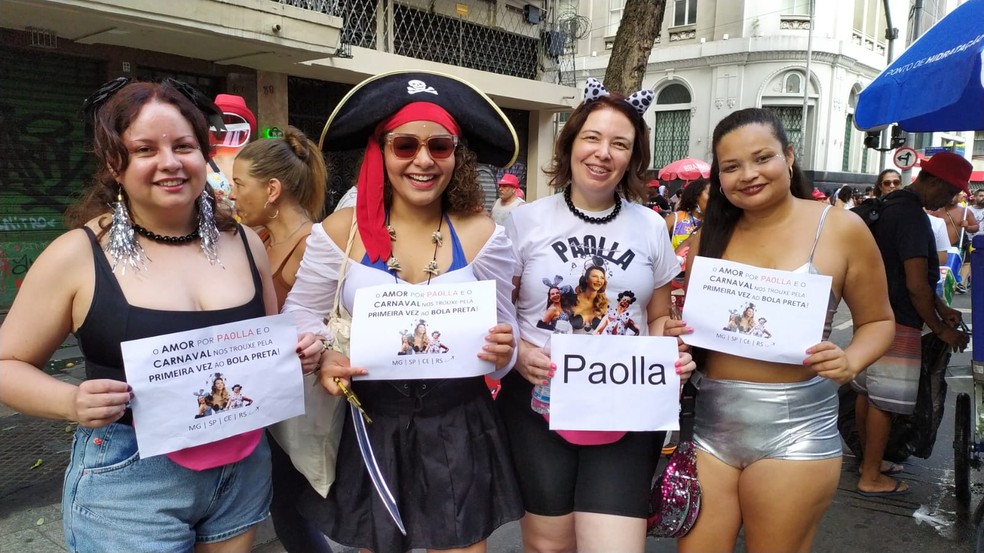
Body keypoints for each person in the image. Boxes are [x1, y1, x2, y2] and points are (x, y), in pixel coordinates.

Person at [0, 79, 323, 552]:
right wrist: (70, 402)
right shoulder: (77, 255)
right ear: (115, 163)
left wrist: (296, 354)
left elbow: (263, 348)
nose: (169, 162)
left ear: (203, 154)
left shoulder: (246, 242)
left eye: (184, 146)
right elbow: (7, 365)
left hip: (243, 465)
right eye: (145, 149)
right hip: (131, 478)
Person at [281, 70, 523, 553]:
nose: (423, 160)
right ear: (381, 150)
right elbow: (299, 314)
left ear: (458, 155)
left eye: (440, 146)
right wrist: (324, 355)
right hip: (373, 424)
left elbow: (507, 333)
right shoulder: (340, 231)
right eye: (405, 144)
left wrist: (505, 348)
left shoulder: (483, 235)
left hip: (458, 423)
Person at [678, 108, 895, 553]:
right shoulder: (708, 237)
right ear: (718, 176)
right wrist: (675, 336)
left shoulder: (839, 228)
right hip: (711, 426)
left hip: (795, 431)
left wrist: (850, 359)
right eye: (731, 167)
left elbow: (879, 321)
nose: (748, 175)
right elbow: (695, 329)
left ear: (789, 156)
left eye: (762, 158)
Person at [499, 77, 695, 553]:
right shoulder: (524, 220)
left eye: (619, 143)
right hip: (537, 405)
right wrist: (520, 353)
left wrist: (671, 355)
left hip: (625, 405)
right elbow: (496, 309)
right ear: (571, 145)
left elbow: (656, 317)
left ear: (632, 157)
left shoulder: (650, 225)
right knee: (550, 544)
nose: (603, 152)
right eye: (592, 137)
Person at [230, 125, 334, 553]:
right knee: (284, 506)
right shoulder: (260, 240)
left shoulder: (312, 245)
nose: (233, 194)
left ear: (272, 189)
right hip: (264, 398)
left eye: (239, 184)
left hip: (298, 402)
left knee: (290, 507)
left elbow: (331, 321)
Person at [853, 151, 971, 498]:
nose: (950, 200)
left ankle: (867, 462)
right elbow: (916, 284)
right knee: (885, 402)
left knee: (866, 392)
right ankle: (871, 474)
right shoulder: (912, 218)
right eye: (950, 192)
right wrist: (940, 328)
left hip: (871, 314)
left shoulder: (892, 205)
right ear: (932, 181)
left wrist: (943, 306)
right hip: (899, 319)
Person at [208, 93, 257, 208]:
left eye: (233, 121)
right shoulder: (202, 162)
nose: (227, 125)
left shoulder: (255, 164)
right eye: (223, 120)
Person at [664, 178, 709, 252]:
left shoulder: (715, 223)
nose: (714, 199)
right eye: (710, 194)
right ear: (696, 196)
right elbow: (656, 244)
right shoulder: (675, 218)